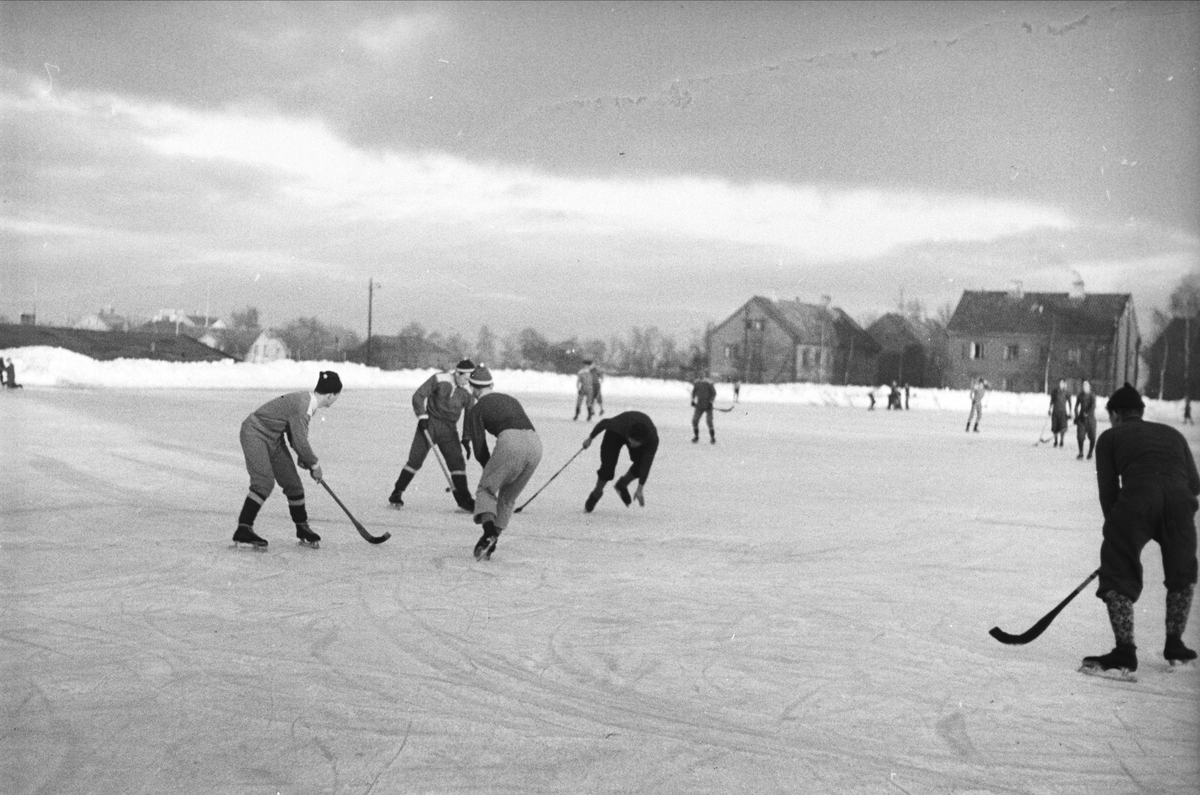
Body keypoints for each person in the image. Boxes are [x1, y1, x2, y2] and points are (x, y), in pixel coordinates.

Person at [1081, 383, 1199, 677]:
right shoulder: (1173, 434)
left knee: (1118, 573)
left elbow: (1108, 492)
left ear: (1116, 415)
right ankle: (1175, 644)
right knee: (1182, 571)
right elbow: (1195, 485)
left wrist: (1118, 537)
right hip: (1180, 503)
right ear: (1140, 413)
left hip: (1137, 501)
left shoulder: (1110, 437)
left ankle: (1124, 651)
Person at [233, 371, 342, 548]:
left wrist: (303, 458)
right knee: (263, 483)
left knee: (293, 484)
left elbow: (295, 436)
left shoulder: (307, 403)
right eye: (337, 396)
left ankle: (302, 527)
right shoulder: (304, 406)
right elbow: (300, 441)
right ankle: (244, 528)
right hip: (255, 433)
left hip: (274, 437)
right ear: (331, 395)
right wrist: (314, 465)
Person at [462, 366, 542, 561]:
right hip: (536, 444)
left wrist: (490, 470)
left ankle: (488, 532)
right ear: (491, 385)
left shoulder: (476, 408)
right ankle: (492, 539)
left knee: (486, 489)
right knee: (507, 498)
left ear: (473, 388)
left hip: (510, 442)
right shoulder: (510, 399)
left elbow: (480, 448)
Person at [388, 359, 476, 511]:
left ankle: (465, 498)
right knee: (415, 460)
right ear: (457, 373)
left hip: (449, 430)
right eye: (466, 378)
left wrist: (466, 438)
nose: (467, 382)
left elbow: (470, 416)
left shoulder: (469, 391)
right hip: (429, 425)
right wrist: (422, 416)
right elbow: (419, 395)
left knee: (457, 463)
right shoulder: (440, 379)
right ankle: (397, 492)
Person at [581, 410, 659, 512]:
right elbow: (603, 423)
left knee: (641, 464)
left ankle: (622, 484)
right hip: (616, 433)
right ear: (628, 435)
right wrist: (590, 438)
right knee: (607, 468)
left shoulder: (652, 441)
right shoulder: (618, 426)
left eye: (634, 443)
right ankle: (597, 492)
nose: (631, 444)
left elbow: (647, 464)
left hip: (636, 432)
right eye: (630, 441)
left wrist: (640, 488)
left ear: (642, 442)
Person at [1073, 378, 1098, 460]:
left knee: (1092, 437)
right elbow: (1076, 407)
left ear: (1089, 387)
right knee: (1080, 437)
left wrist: (1087, 413)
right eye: (1083, 386)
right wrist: (1076, 417)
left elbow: (1093, 406)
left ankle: (1090, 452)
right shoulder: (1080, 395)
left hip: (1090, 420)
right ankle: (1081, 452)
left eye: (1086, 386)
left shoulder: (1092, 396)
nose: (1085, 387)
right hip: (1081, 420)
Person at [690, 372, 717, 444]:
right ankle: (696, 437)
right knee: (694, 421)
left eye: (702, 374)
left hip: (708, 405)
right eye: (699, 374)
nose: (701, 376)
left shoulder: (709, 383)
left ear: (705, 375)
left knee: (709, 421)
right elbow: (694, 392)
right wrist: (692, 400)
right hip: (699, 405)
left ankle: (712, 438)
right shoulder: (696, 382)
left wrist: (710, 402)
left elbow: (714, 393)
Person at [1049, 379, 1072, 448]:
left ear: (1064, 384)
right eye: (1059, 383)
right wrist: (1049, 409)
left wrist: (1070, 412)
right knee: (1055, 427)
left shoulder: (1066, 392)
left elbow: (1069, 402)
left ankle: (1061, 441)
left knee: (1062, 427)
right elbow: (1052, 401)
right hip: (1055, 412)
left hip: (1063, 412)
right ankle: (1055, 441)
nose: (1060, 385)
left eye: (1062, 383)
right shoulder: (1054, 391)